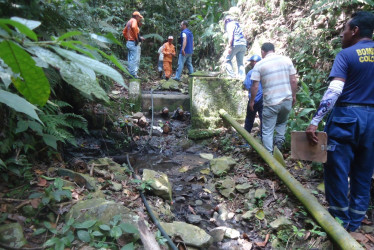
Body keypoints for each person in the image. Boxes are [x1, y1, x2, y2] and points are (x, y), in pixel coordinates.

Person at [306, 11, 374, 232]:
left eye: (345, 28)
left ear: (355, 31)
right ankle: (355, 223)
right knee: (364, 171)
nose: (342, 34)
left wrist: (315, 120)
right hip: (372, 120)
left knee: (336, 169)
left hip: (346, 118)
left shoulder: (346, 55)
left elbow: (335, 89)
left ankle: (339, 222)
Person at [249, 43, 298, 153]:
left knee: (267, 131)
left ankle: (270, 158)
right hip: (286, 100)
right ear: (273, 50)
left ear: (262, 52)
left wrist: (252, 101)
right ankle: (279, 146)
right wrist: (294, 95)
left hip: (271, 102)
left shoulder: (259, 65)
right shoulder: (286, 60)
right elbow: (294, 81)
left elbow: (255, 86)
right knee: (281, 123)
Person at [244, 55, 263, 134]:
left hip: (253, 99)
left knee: (249, 119)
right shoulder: (265, 72)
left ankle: (246, 138)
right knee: (264, 120)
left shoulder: (251, 73)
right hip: (263, 99)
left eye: (251, 62)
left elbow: (247, 85)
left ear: (255, 62)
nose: (250, 63)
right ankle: (263, 140)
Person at [123, 11, 144, 78]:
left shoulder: (129, 21)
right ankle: (133, 74)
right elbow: (134, 27)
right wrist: (137, 38)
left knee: (130, 59)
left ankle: (130, 73)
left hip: (129, 42)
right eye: (139, 17)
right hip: (133, 42)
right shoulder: (134, 21)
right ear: (136, 16)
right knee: (135, 59)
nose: (139, 19)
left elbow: (124, 32)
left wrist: (128, 38)